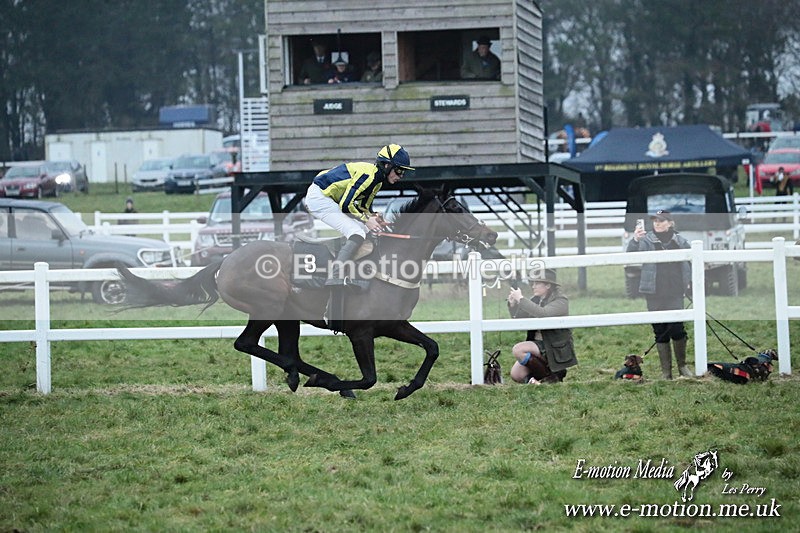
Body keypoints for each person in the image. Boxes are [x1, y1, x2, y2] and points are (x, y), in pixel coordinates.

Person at [304, 144, 414, 329]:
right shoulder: (369, 175)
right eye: (399, 171)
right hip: (320, 198)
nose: (400, 176)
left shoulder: (377, 180)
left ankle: (355, 275)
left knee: (366, 230)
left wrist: (374, 217)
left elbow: (363, 206)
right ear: (387, 165)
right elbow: (346, 204)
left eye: (403, 172)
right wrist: (366, 220)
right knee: (356, 232)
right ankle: (336, 277)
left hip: (332, 198)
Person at [626, 210, 692, 379]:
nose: (657, 223)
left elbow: (691, 260)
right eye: (655, 220)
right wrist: (635, 240)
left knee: (677, 328)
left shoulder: (680, 241)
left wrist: (690, 282)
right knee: (660, 330)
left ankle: (682, 366)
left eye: (661, 220)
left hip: (675, 290)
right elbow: (630, 255)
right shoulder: (646, 240)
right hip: (653, 292)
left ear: (670, 223)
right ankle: (666, 372)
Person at [506, 269, 577, 384]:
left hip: (554, 346)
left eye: (537, 283)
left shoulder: (561, 301)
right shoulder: (536, 300)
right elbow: (519, 319)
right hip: (538, 344)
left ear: (548, 285)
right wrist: (513, 304)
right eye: (533, 283)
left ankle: (551, 377)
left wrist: (521, 299)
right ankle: (537, 382)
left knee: (518, 350)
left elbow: (543, 313)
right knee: (516, 374)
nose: (533, 286)